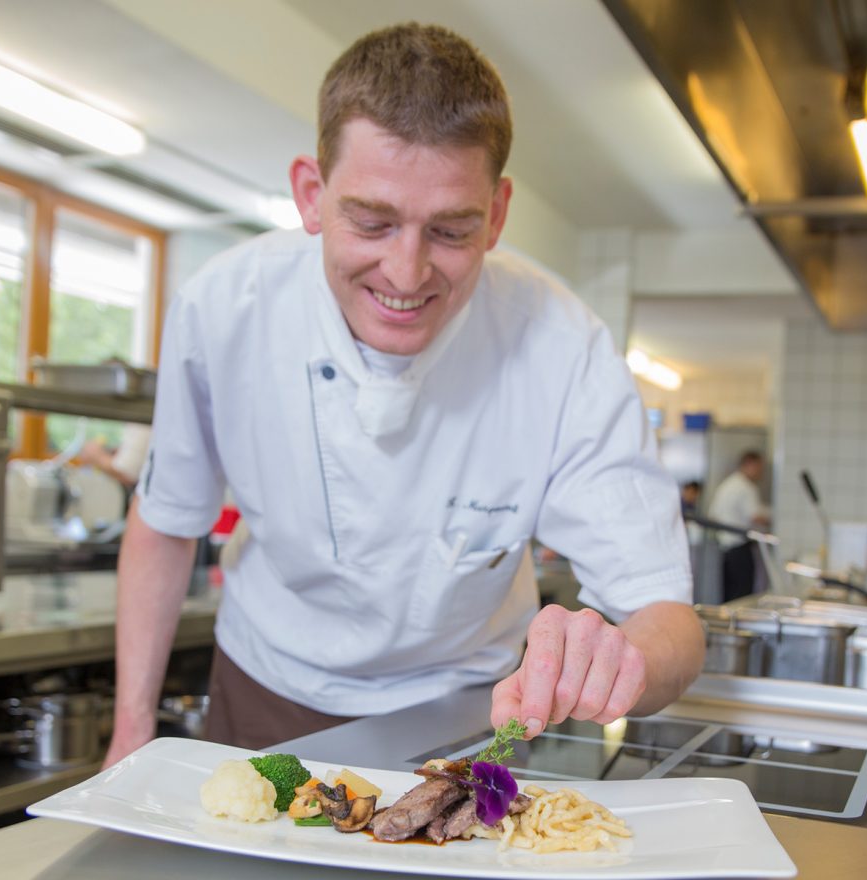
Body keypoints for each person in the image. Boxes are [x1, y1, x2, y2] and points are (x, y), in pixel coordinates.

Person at [103, 23, 703, 766]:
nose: (407, 271)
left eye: (451, 231)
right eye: (372, 221)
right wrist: (131, 730)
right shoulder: (224, 309)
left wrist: (622, 661)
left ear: (498, 213)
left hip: (468, 710)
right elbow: (166, 523)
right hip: (265, 691)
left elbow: (668, 616)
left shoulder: (561, 346)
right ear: (311, 195)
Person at [707, 450, 770, 602]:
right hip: (740, 548)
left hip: (726, 549)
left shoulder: (728, 484)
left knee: (729, 597)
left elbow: (713, 515)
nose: (760, 473)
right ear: (750, 464)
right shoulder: (746, 487)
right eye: (759, 468)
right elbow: (756, 516)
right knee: (742, 597)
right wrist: (773, 518)